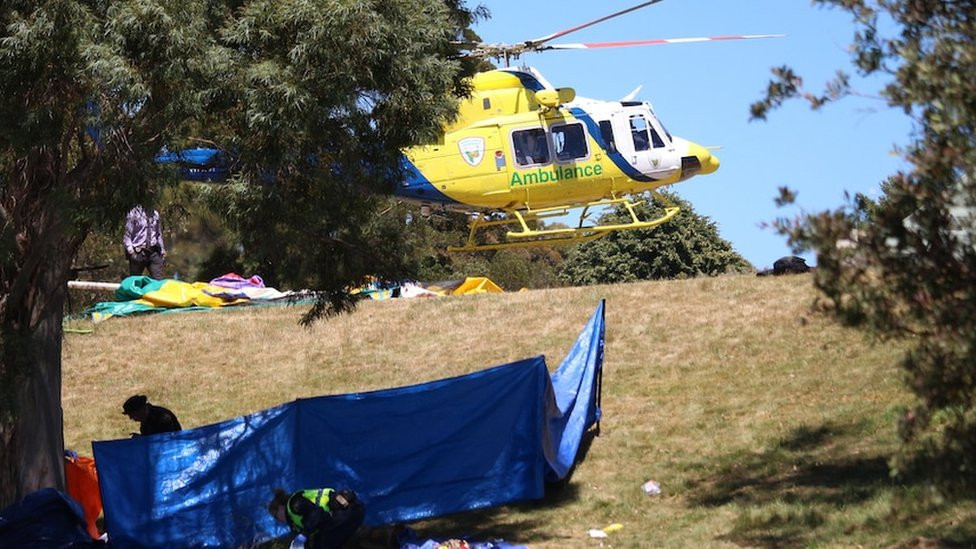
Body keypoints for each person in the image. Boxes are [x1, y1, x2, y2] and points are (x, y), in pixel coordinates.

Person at [268, 487, 365, 549]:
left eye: (276, 517)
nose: (279, 521)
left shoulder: (295, 503)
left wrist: (304, 535)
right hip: (344, 518)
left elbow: (315, 514)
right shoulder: (293, 521)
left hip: (348, 512)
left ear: (280, 508)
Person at [123, 204, 166, 279]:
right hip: (138, 252)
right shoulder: (134, 213)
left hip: (153, 251)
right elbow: (127, 236)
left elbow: (158, 234)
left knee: (158, 280)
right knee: (135, 281)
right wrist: (131, 252)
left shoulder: (155, 214)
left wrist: (162, 249)